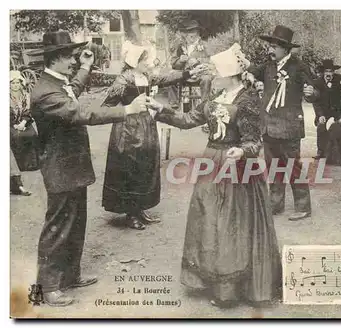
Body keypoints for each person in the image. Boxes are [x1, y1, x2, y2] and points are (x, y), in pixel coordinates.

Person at [147, 46, 282, 308]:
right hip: (212, 162)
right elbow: (188, 119)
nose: (212, 76)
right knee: (209, 217)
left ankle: (230, 289)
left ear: (229, 74)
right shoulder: (216, 96)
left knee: (231, 222)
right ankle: (213, 280)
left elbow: (254, 141)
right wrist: (159, 109)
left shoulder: (247, 100)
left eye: (216, 72)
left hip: (236, 168)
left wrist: (242, 151)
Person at [30, 31, 149, 306]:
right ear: (56, 58)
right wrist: (127, 111)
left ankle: (70, 276)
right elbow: (80, 113)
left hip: (72, 168)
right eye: (71, 57)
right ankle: (48, 287)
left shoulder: (56, 83)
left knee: (76, 223)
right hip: (61, 170)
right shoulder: (45, 92)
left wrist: (85, 66)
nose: (74, 61)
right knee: (58, 226)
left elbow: (74, 88)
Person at [101, 42, 207, 230]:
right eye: (144, 60)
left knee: (145, 165)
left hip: (146, 125)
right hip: (128, 129)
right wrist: (125, 111)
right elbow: (106, 105)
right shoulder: (124, 79)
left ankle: (139, 209)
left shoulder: (146, 76)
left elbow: (166, 78)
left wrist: (188, 74)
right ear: (135, 61)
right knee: (131, 167)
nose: (148, 63)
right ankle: (131, 213)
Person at [244, 25, 318, 221]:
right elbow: (252, 70)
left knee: (293, 167)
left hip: (289, 127)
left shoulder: (299, 66)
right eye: (270, 46)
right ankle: (275, 205)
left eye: (275, 46)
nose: (270, 50)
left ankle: (303, 207)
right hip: (268, 127)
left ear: (286, 49)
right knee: (273, 167)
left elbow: (314, 89)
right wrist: (250, 75)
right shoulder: (267, 66)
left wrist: (311, 94)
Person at [171, 20, 213, 109]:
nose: (191, 35)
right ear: (185, 34)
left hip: (200, 75)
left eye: (193, 31)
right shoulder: (180, 46)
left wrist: (198, 61)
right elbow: (173, 63)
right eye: (189, 32)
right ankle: (174, 103)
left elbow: (211, 61)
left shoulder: (205, 46)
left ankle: (204, 105)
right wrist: (180, 60)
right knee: (171, 75)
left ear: (198, 33)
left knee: (207, 79)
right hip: (185, 74)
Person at [312, 59, 341, 159]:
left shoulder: (340, 80)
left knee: (336, 128)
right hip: (323, 113)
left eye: (330, 71)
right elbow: (316, 102)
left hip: (336, 113)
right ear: (323, 72)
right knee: (321, 127)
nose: (328, 74)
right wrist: (320, 115)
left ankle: (336, 153)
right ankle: (320, 151)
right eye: (326, 71)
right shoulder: (317, 82)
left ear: (333, 72)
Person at [10, 70, 39, 172]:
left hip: (24, 122)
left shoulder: (26, 95)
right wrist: (15, 125)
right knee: (17, 136)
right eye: (13, 83)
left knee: (32, 134)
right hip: (11, 124)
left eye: (17, 83)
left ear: (21, 83)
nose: (15, 85)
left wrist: (23, 122)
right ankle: (21, 165)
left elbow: (28, 111)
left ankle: (33, 164)